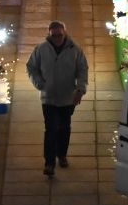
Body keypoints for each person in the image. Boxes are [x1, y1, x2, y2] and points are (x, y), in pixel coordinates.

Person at [26, 21, 87, 177]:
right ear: (49, 34)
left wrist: (80, 89)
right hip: (49, 98)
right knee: (51, 129)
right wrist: (39, 83)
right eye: (54, 36)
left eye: (60, 35)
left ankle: (62, 155)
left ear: (65, 33)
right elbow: (31, 67)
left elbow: (82, 69)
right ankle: (49, 163)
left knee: (64, 128)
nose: (58, 38)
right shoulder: (41, 49)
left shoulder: (75, 49)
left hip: (68, 98)